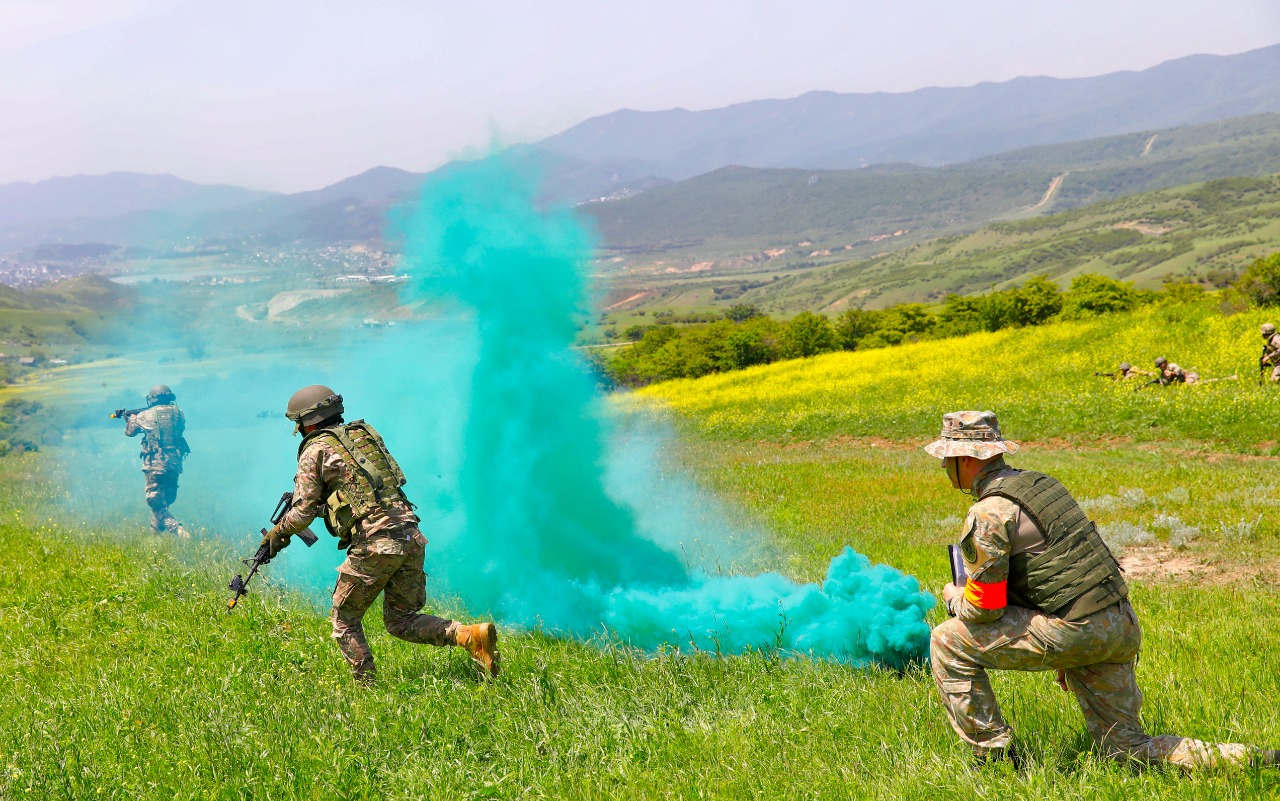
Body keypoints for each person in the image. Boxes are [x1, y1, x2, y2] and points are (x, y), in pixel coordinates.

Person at [925, 411, 1278, 769]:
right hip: (1117, 622)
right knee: (1125, 749)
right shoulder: (1042, 486)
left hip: (1076, 629)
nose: (943, 466)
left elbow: (985, 607)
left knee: (946, 641)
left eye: (946, 458)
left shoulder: (989, 512)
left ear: (965, 458)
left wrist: (954, 599)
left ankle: (994, 759)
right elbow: (1061, 568)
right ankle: (1256, 760)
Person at [261, 384, 499, 684]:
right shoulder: (363, 438)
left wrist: (276, 534)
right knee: (401, 620)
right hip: (410, 535)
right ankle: (469, 636)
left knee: (344, 620)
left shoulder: (315, 450)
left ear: (308, 422)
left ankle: (368, 688)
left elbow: (301, 513)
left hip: (376, 543)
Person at [123, 384, 190, 536]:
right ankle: (154, 537)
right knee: (165, 500)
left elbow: (129, 432)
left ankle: (177, 530)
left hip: (155, 463)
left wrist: (131, 419)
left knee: (155, 501)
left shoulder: (144, 415)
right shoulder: (179, 413)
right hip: (175, 463)